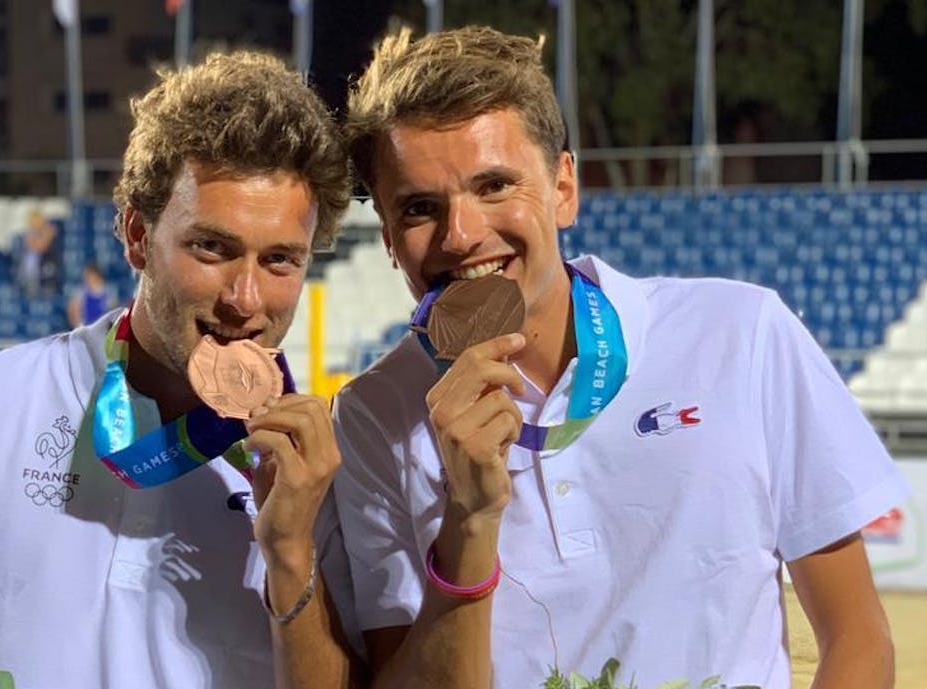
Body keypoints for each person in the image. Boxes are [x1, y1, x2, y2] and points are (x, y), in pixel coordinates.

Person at [331, 26, 906, 689]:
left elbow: (859, 638)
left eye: (494, 186)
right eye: (420, 207)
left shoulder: (741, 334)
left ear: (563, 189)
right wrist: (469, 518)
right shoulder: (375, 414)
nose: (461, 235)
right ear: (387, 239)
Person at [0, 51, 360, 689]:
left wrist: (291, 550)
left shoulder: (322, 464)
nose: (244, 300)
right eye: (212, 248)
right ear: (138, 234)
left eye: (280, 260)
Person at [15, 209, 60, 297]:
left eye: (35, 220)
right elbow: (30, 244)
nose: (33, 223)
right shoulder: (30, 232)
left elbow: (43, 246)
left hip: (47, 263)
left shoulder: (49, 229)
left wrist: (39, 241)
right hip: (31, 268)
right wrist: (38, 242)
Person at [67, 263, 118, 327]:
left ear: (96, 275)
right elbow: (72, 309)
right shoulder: (81, 291)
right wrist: (79, 326)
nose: (86, 279)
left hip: (103, 329)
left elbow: (114, 311)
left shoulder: (109, 292)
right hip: (86, 329)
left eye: (88, 276)